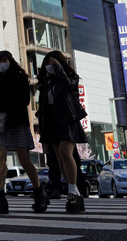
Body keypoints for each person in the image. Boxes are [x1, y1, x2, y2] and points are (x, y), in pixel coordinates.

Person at [0, 51, 45, 214]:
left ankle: (39, 191)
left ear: (11, 61)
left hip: (17, 121)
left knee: (25, 160)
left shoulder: (20, 77)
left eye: (5, 60)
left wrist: (2, 98)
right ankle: (0, 198)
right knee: (0, 161)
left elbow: (24, 100)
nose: (2, 63)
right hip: (1, 123)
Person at [37, 51, 88, 214]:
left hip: (68, 121)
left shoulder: (71, 77)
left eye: (53, 63)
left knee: (66, 153)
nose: (50, 67)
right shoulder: (46, 83)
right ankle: (74, 192)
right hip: (52, 124)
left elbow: (68, 85)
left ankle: (73, 190)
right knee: (60, 158)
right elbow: (43, 107)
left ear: (60, 63)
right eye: (48, 64)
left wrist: (59, 68)